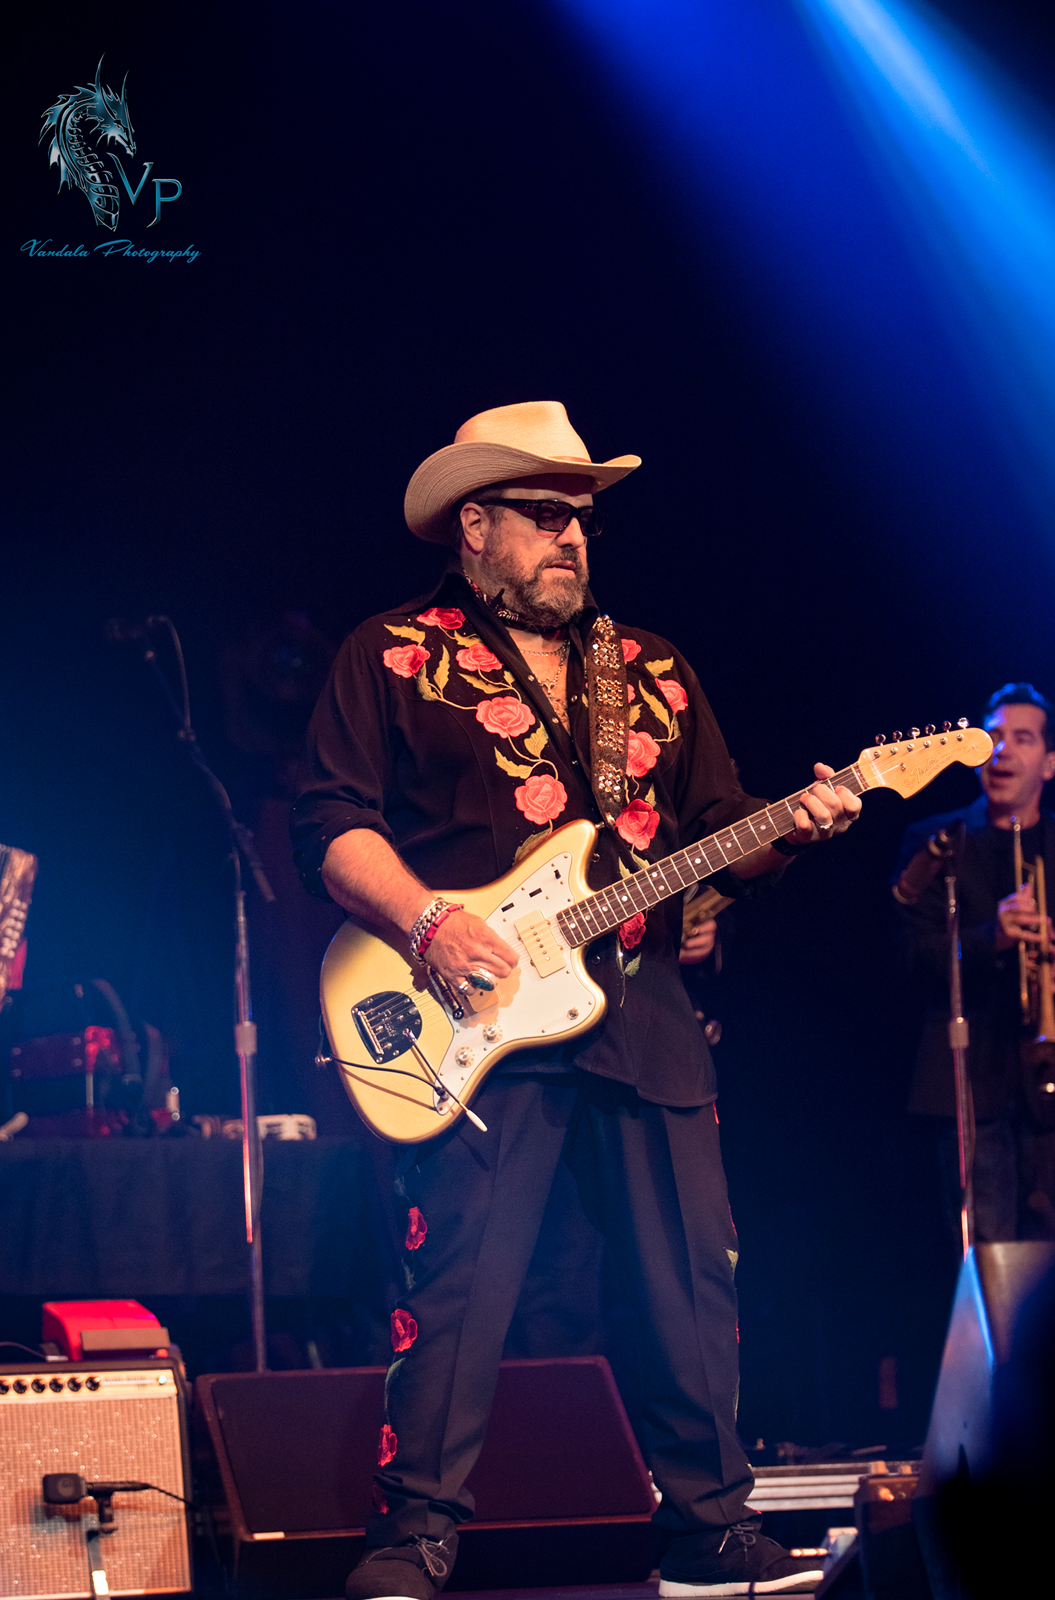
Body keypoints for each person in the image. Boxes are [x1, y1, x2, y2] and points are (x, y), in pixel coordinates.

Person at [290, 401, 860, 1598]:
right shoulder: (391, 655)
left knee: (689, 1279)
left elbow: (716, 831)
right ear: (474, 525)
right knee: (458, 1287)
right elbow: (329, 823)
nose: (572, 538)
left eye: (583, 519)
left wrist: (794, 829)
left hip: (643, 1014)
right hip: (472, 1017)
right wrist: (430, 923)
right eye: (545, 515)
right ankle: (413, 1537)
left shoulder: (650, 669)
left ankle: (709, 1531)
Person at [894, 683, 1055, 1243]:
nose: (1003, 750)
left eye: (1023, 738)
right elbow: (908, 958)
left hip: (1048, 1088)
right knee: (990, 1263)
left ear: (1050, 762)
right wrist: (992, 939)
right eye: (995, 736)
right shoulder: (936, 841)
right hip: (971, 1086)